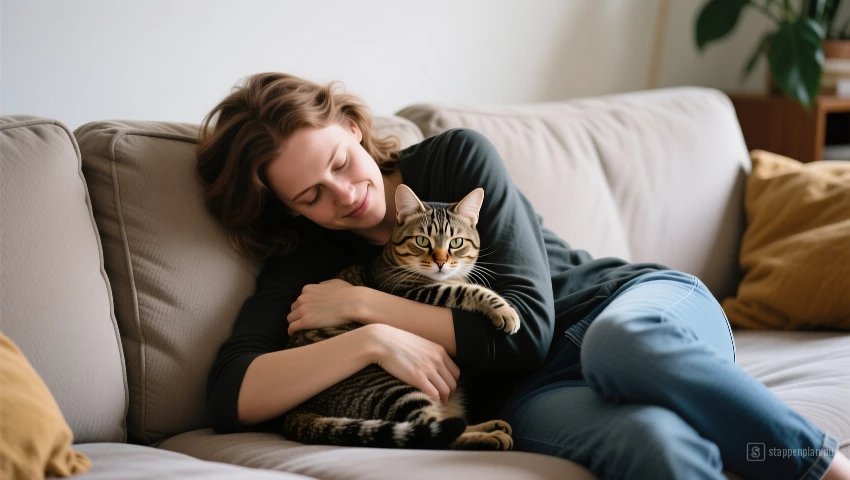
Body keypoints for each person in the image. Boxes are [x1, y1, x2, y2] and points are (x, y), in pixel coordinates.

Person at [197, 72, 850, 480]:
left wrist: (371, 305)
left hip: (630, 310)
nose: (341, 196)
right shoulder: (306, 260)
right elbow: (231, 394)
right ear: (286, 208)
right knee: (657, 446)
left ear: (352, 125)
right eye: (309, 196)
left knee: (623, 345)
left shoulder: (453, 160)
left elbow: (522, 333)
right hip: (531, 394)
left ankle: (820, 467)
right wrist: (368, 340)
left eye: (341, 162)